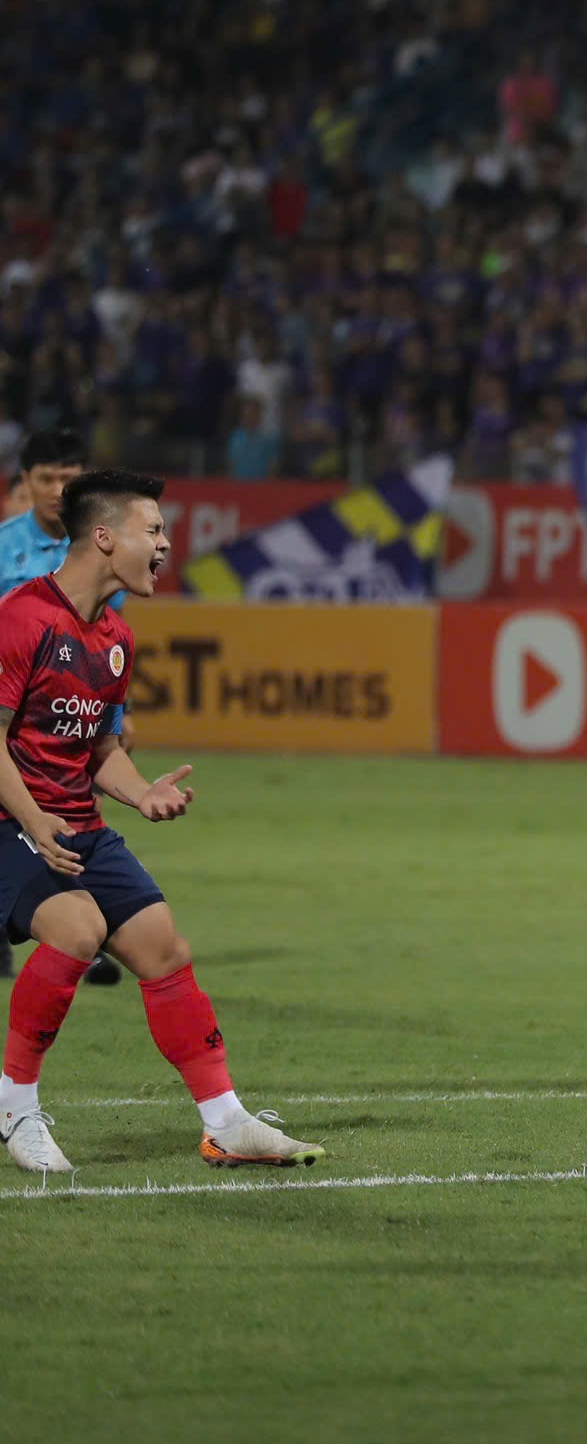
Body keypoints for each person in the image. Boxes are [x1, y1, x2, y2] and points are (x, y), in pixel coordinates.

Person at [0, 469, 325, 1173]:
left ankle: (226, 1122)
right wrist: (34, 819)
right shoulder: (23, 617)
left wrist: (140, 792)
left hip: (73, 821)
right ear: (105, 536)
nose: (165, 545)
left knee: (163, 947)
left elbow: (100, 750)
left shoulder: (116, 636)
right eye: (153, 531)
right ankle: (15, 1106)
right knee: (78, 929)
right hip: (8, 820)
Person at [0, 429, 125, 985]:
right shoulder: (4, 548)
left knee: (73, 795)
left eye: (67, 477)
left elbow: (105, 643)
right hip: (7, 708)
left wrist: (116, 719)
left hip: (62, 715)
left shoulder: (102, 554)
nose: (57, 489)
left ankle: (73, 917)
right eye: (45, 477)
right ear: (24, 481)